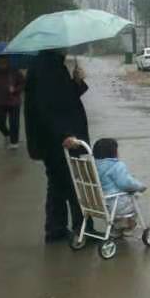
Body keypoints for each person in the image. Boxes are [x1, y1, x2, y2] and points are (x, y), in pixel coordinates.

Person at [24, 49, 92, 243]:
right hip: (59, 140)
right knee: (73, 183)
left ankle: (56, 229)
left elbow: (64, 99)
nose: (68, 47)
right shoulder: (46, 67)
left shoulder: (51, 64)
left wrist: (77, 82)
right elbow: (46, 107)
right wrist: (64, 135)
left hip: (55, 138)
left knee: (57, 184)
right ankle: (83, 230)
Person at [93, 138, 146, 233]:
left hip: (98, 204)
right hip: (116, 205)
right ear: (113, 152)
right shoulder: (117, 165)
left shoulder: (92, 166)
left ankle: (116, 228)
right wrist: (140, 187)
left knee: (118, 197)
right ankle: (129, 225)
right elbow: (126, 184)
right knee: (135, 198)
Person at [0, 56, 25, 149]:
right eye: (0, 62)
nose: (2, 64)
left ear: (7, 62)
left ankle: (14, 142)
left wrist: (15, 89)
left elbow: (23, 83)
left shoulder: (15, 71)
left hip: (14, 101)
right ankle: (7, 134)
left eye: (4, 62)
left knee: (14, 123)